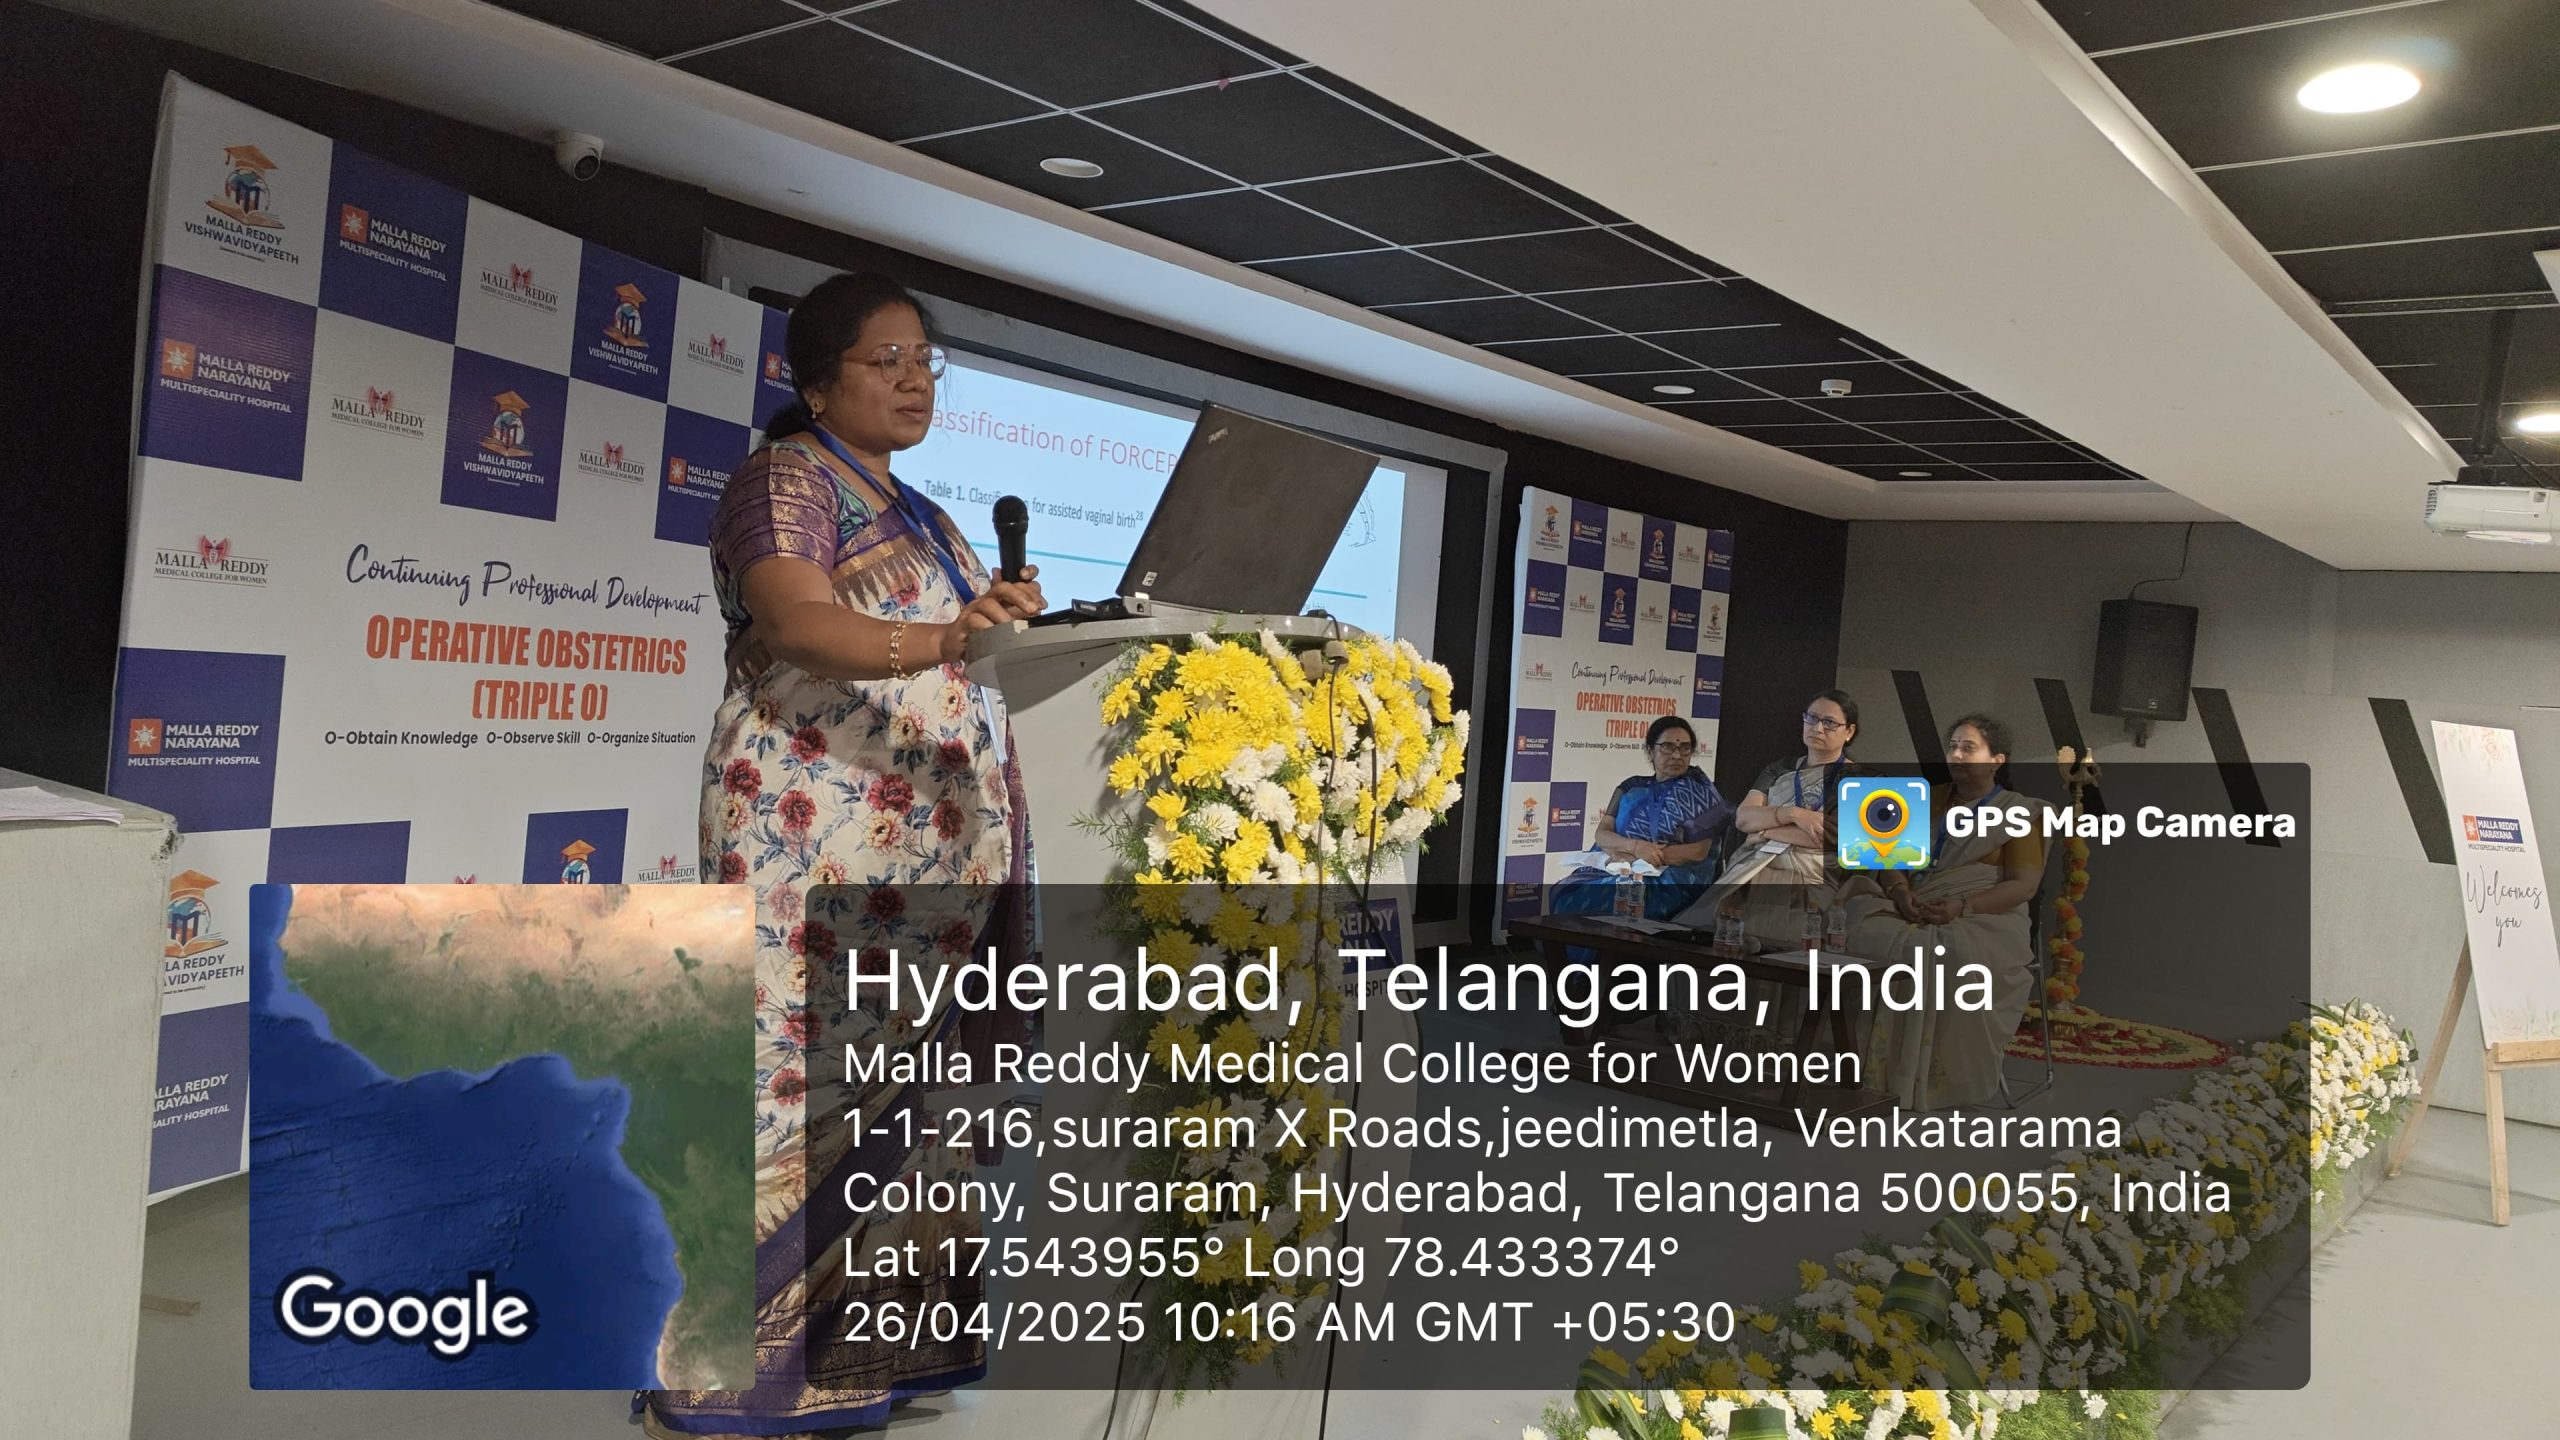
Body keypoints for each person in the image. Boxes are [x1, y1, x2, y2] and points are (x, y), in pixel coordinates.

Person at [652, 273, 1045, 1439]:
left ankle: (879, 1355)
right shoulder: (785, 482)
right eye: (888, 360)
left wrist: (1004, 627)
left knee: (912, 1106)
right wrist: (947, 633)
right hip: (810, 848)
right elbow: (797, 621)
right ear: (817, 384)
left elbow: (960, 659)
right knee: (792, 1089)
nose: (916, 379)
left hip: (924, 881)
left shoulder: (925, 514)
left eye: (927, 360)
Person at [1840, 713, 2046, 1109]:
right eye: (1953, 746)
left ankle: (1931, 1081)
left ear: (1997, 760)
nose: (1957, 755)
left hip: (1985, 915)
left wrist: (1962, 906)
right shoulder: (1923, 798)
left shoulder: (2018, 812)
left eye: (1969, 748)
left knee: (1949, 955)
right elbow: (1890, 859)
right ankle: (1861, 1069)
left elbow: (2023, 885)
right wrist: (1900, 891)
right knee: (1860, 935)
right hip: (1912, 904)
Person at [1551, 715, 1733, 925]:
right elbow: (1603, 833)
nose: (1676, 755)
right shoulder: (1631, 787)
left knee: (1620, 898)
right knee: (1565, 892)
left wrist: (1642, 858)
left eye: (1684, 748)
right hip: (1622, 866)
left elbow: (1698, 851)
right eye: (1667, 747)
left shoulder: (1702, 794)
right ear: (1650, 750)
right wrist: (1635, 848)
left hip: (1674, 877)